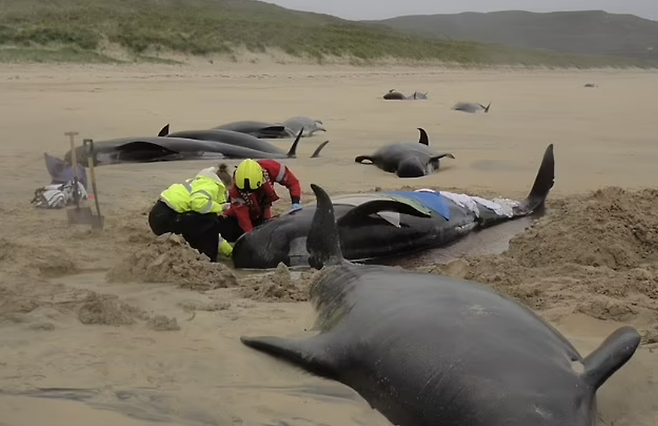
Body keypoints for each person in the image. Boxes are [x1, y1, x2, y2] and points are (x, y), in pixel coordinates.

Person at [148, 164, 233, 262]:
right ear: (223, 184)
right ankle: (209, 259)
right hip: (167, 217)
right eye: (226, 191)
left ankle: (198, 251)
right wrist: (220, 207)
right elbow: (198, 204)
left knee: (203, 223)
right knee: (209, 219)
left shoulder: (199, 182)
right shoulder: (212, 186)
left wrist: (228, 250)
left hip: (158, 216)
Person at [218, 158, 302, 240]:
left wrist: (295, 202)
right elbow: (243, 218)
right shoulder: (235, 190)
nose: (248, 193)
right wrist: (252, 236)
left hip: (262, 209)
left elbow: (293, 182)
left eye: (252, 190)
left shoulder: (272, 167)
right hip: (238, 216)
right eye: (245, 191)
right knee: (226, 230)